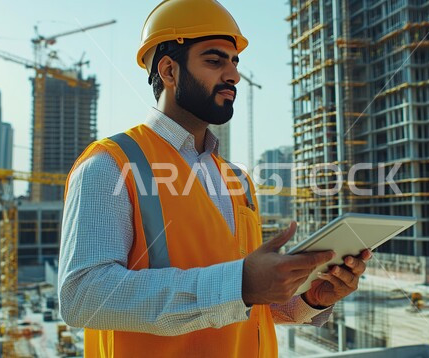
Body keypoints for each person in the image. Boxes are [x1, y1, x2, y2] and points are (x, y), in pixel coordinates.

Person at [58, 0, 371, 356]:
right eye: (214, 60)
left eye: (235, 62)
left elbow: (243, 306)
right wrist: (239, 284)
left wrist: (309, 299)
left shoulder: (237, 179)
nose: (233, 75)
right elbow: (82, 297)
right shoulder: (110, 165)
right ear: (169, 71)